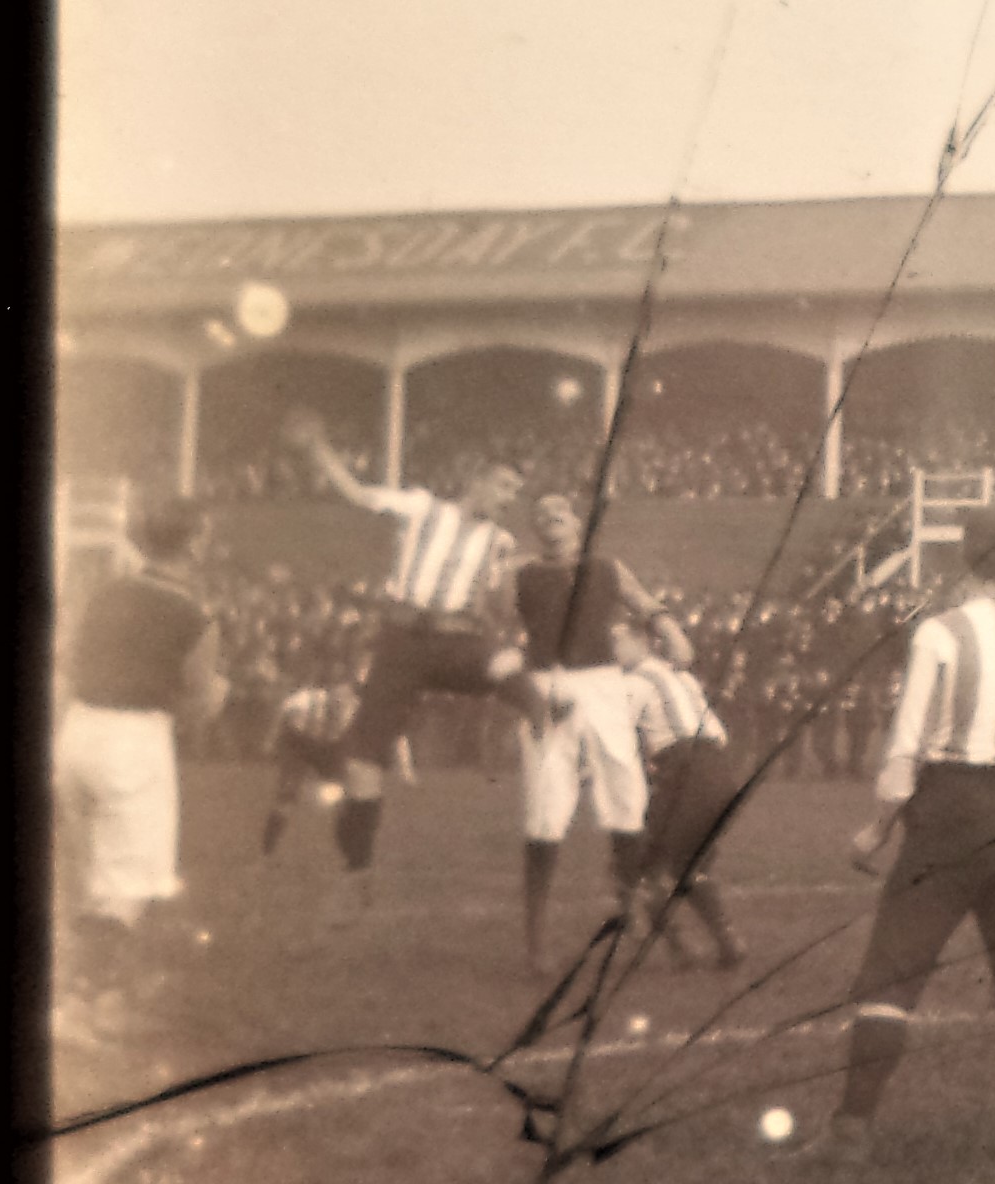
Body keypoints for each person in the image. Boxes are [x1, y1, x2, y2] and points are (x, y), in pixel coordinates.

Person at [828, 502, 995, 1166]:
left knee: (892, 972)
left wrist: (875, 829)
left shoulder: (941, 634)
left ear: (964, 557)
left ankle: (850, 1131)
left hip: (953, 812)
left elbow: (905, 752)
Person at [286, 414, 531, 881]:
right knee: (365, 764)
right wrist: (320, 450)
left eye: (513, 492)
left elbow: (491, 601)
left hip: (454, 640)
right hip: (400, 642)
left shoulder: (500, 541)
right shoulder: (424, 508)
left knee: (505, 662)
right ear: (476, 481)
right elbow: (358, 495)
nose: (507, 498)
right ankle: (356, 869)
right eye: (502, 485)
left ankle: (550, 720)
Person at [511, 491, 687, 972]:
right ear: (536, 528)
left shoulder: (606, 567)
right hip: (548, 686)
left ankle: (630, 917)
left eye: (560, 513)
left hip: (604, 685)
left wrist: (671, 631)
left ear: (576, 521)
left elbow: (644, 602)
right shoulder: (522, 574)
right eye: (541, 515)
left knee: (626, 797)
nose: (552, 521)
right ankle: (535, 944)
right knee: (545, 810)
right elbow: (496, 628)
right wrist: (523, 687)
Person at [54, 495, 227, 940]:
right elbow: (194, 711)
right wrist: (216, 698)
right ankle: (94, 996)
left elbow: (68, 661)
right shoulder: (196, 616)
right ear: (193, 544)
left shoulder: (104, 594)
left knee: (90, 883)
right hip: (134, 741)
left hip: (75, 733)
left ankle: (81, 987)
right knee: (125, 895)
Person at [616, 612, 746, 970]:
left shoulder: (635, 682)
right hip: (719, 769)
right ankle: (726, 942)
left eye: (618, 640)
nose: (612, 650)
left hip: (684, 769)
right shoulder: (679, 675)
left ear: (642, 642)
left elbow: (618, 738)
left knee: (645, 864)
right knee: (687, 862)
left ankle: (682, 949)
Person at [257, 675, 356, 861]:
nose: (342, 700)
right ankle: (266, 851)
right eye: (339, 694)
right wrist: (270, 739)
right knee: (286, 796)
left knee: (342, 798)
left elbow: (350, 735)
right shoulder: (305, 699)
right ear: (330, 691)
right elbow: (282, 714)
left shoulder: (353, 707)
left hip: (328, 748)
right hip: (299, 744)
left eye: (346, 696)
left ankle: (349, 851)